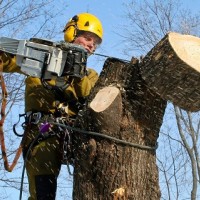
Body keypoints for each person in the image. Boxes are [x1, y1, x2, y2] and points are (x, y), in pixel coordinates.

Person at [0, 12, 103, 200]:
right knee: (43, 194)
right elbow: (8, 61)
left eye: (95, 43)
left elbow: (89, 95)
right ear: (72, 33)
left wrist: (75, 71)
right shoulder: (41, 59)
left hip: (76, 135)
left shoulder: (90, 75)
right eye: (88, 38)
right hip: (44, 131)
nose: (91, 45)